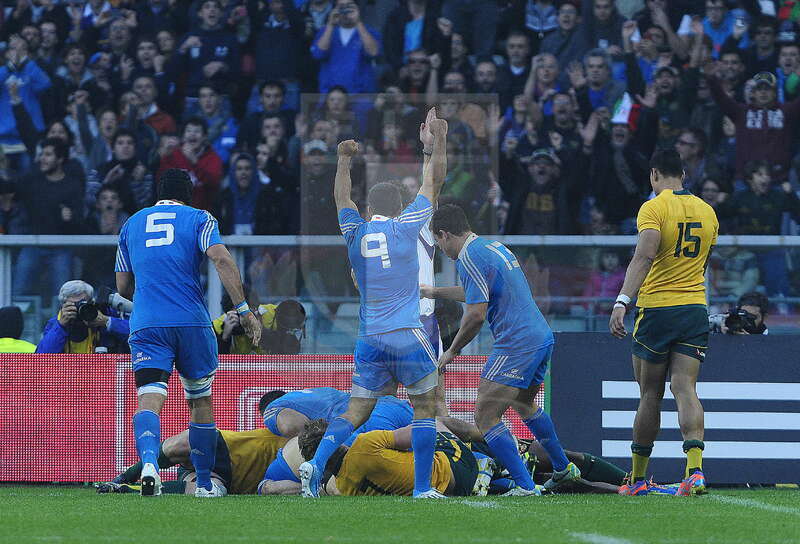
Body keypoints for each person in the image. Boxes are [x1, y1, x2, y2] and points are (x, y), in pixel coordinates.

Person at [298, 108, 447, 499]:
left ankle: (315, 463)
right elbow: (433, 185)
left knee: (355, 412)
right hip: (407, 333)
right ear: (400, 208)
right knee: (425, 409)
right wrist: (434, 145)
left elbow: (340, 196)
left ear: (368, 210)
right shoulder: (407, 225)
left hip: (370, 337)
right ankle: (420, 488)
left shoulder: (354, 231)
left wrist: (344, 159)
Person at [114, 168, 261, 497]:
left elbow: (123, 286)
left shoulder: (131, 224)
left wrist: (152, 293)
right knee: (200, 402)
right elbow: (221, 259)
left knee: (149, 399)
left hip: (148, 322)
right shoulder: (200, 218)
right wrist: (242, 309)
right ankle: (206, 483)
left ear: (158, 193)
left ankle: (150, 463)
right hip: (191, 322)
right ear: (189, 194)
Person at [423, 203, 579, 496]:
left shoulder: (467, 257)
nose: (441, 250)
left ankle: (524, 486)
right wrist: (434, 291)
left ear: (444, 234)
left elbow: (476, 314)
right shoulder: (491, 247)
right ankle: (563, 468)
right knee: (524, 404)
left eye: (438, 242)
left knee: (485, 416)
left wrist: (452, 351)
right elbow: (476, 292)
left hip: (516, 343)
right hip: (540, 336)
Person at [608, 149, 719, 497]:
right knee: (685, 387)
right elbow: (703, 264)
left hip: (657, 310)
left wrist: (622, 300)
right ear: (683, 174)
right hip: (694, 308)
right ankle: (695, 471)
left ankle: (638, 479)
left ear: (655, 174)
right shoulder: (707, 211)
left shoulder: (653, 207)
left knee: (650, 394)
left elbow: (644, 256)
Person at [259, 394, 414, 494]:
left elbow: (288, 426)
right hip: (389, 404)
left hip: (348, 437)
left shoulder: (273, 407)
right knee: (427, 438)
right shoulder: (321, 396)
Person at [297, 419, 478, 497]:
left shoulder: (344, 488)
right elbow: (422, 431)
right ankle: (491, 450)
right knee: (435, 421)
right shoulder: (365, 443)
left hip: (452, 491)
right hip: (459, 467)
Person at [104, 425, 287, 496]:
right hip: (223, 446)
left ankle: (126, 489)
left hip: (227, 479)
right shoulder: (286, 427)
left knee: (208, 493)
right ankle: (124, 477)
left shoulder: (303, 462)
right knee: (188, 440)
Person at [36, 280, 130, 354]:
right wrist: (61, 326)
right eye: (74, 305)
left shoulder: (103, 315)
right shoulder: (56, 323)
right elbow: (42, 357)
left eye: (83, 304)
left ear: (92, 302)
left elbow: (137, 334)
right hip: (67, 374)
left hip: (103, 373)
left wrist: (108, 322)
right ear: (63, 306)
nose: (79, 309)